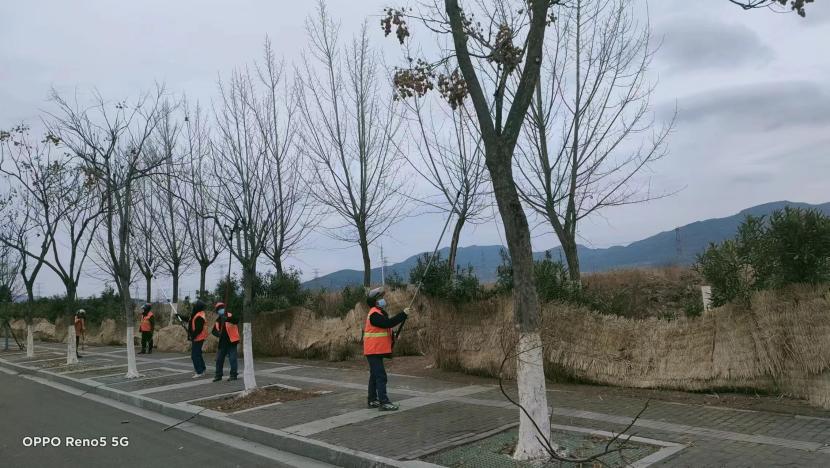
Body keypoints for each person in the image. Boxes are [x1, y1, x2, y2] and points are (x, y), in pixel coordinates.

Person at [363, 287, 409, 411]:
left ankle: (372, 400)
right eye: (380, 298)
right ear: (375, 301)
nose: (383, 299)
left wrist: (393, 336)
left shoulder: (378, 313)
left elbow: (385, 327)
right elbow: (388, 323)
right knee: (381, 376)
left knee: (374, 375)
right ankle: (384, 402)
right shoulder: (374, 314)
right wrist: (403, 314)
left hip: (375, 350)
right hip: (373, 350)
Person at [211, 302, 239, 382]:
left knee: (232, 359)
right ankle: (218, 375)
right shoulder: (218, 320)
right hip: (222, 343)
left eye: (221, 308)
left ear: (225, 308)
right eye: (219, 309)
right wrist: (218, 334)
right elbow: (213, 331)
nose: (220, 310)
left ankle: (233, 375)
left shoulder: (230, 315)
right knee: (219, 360)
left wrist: (227, 319)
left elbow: (236, 320)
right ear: (217, 311)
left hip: (232, 341)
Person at [189, 300, 208, 378]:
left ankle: (199, 371)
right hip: (199, 337)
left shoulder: (199, 316)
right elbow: (190, 320)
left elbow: (199, 329)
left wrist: (193, 336)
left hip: (198, 338)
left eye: (195, 305)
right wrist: (179, 316)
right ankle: (202, 369)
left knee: (194, 355)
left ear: (198, 307)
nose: (193, 307)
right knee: (198, 354)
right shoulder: (198, 314)